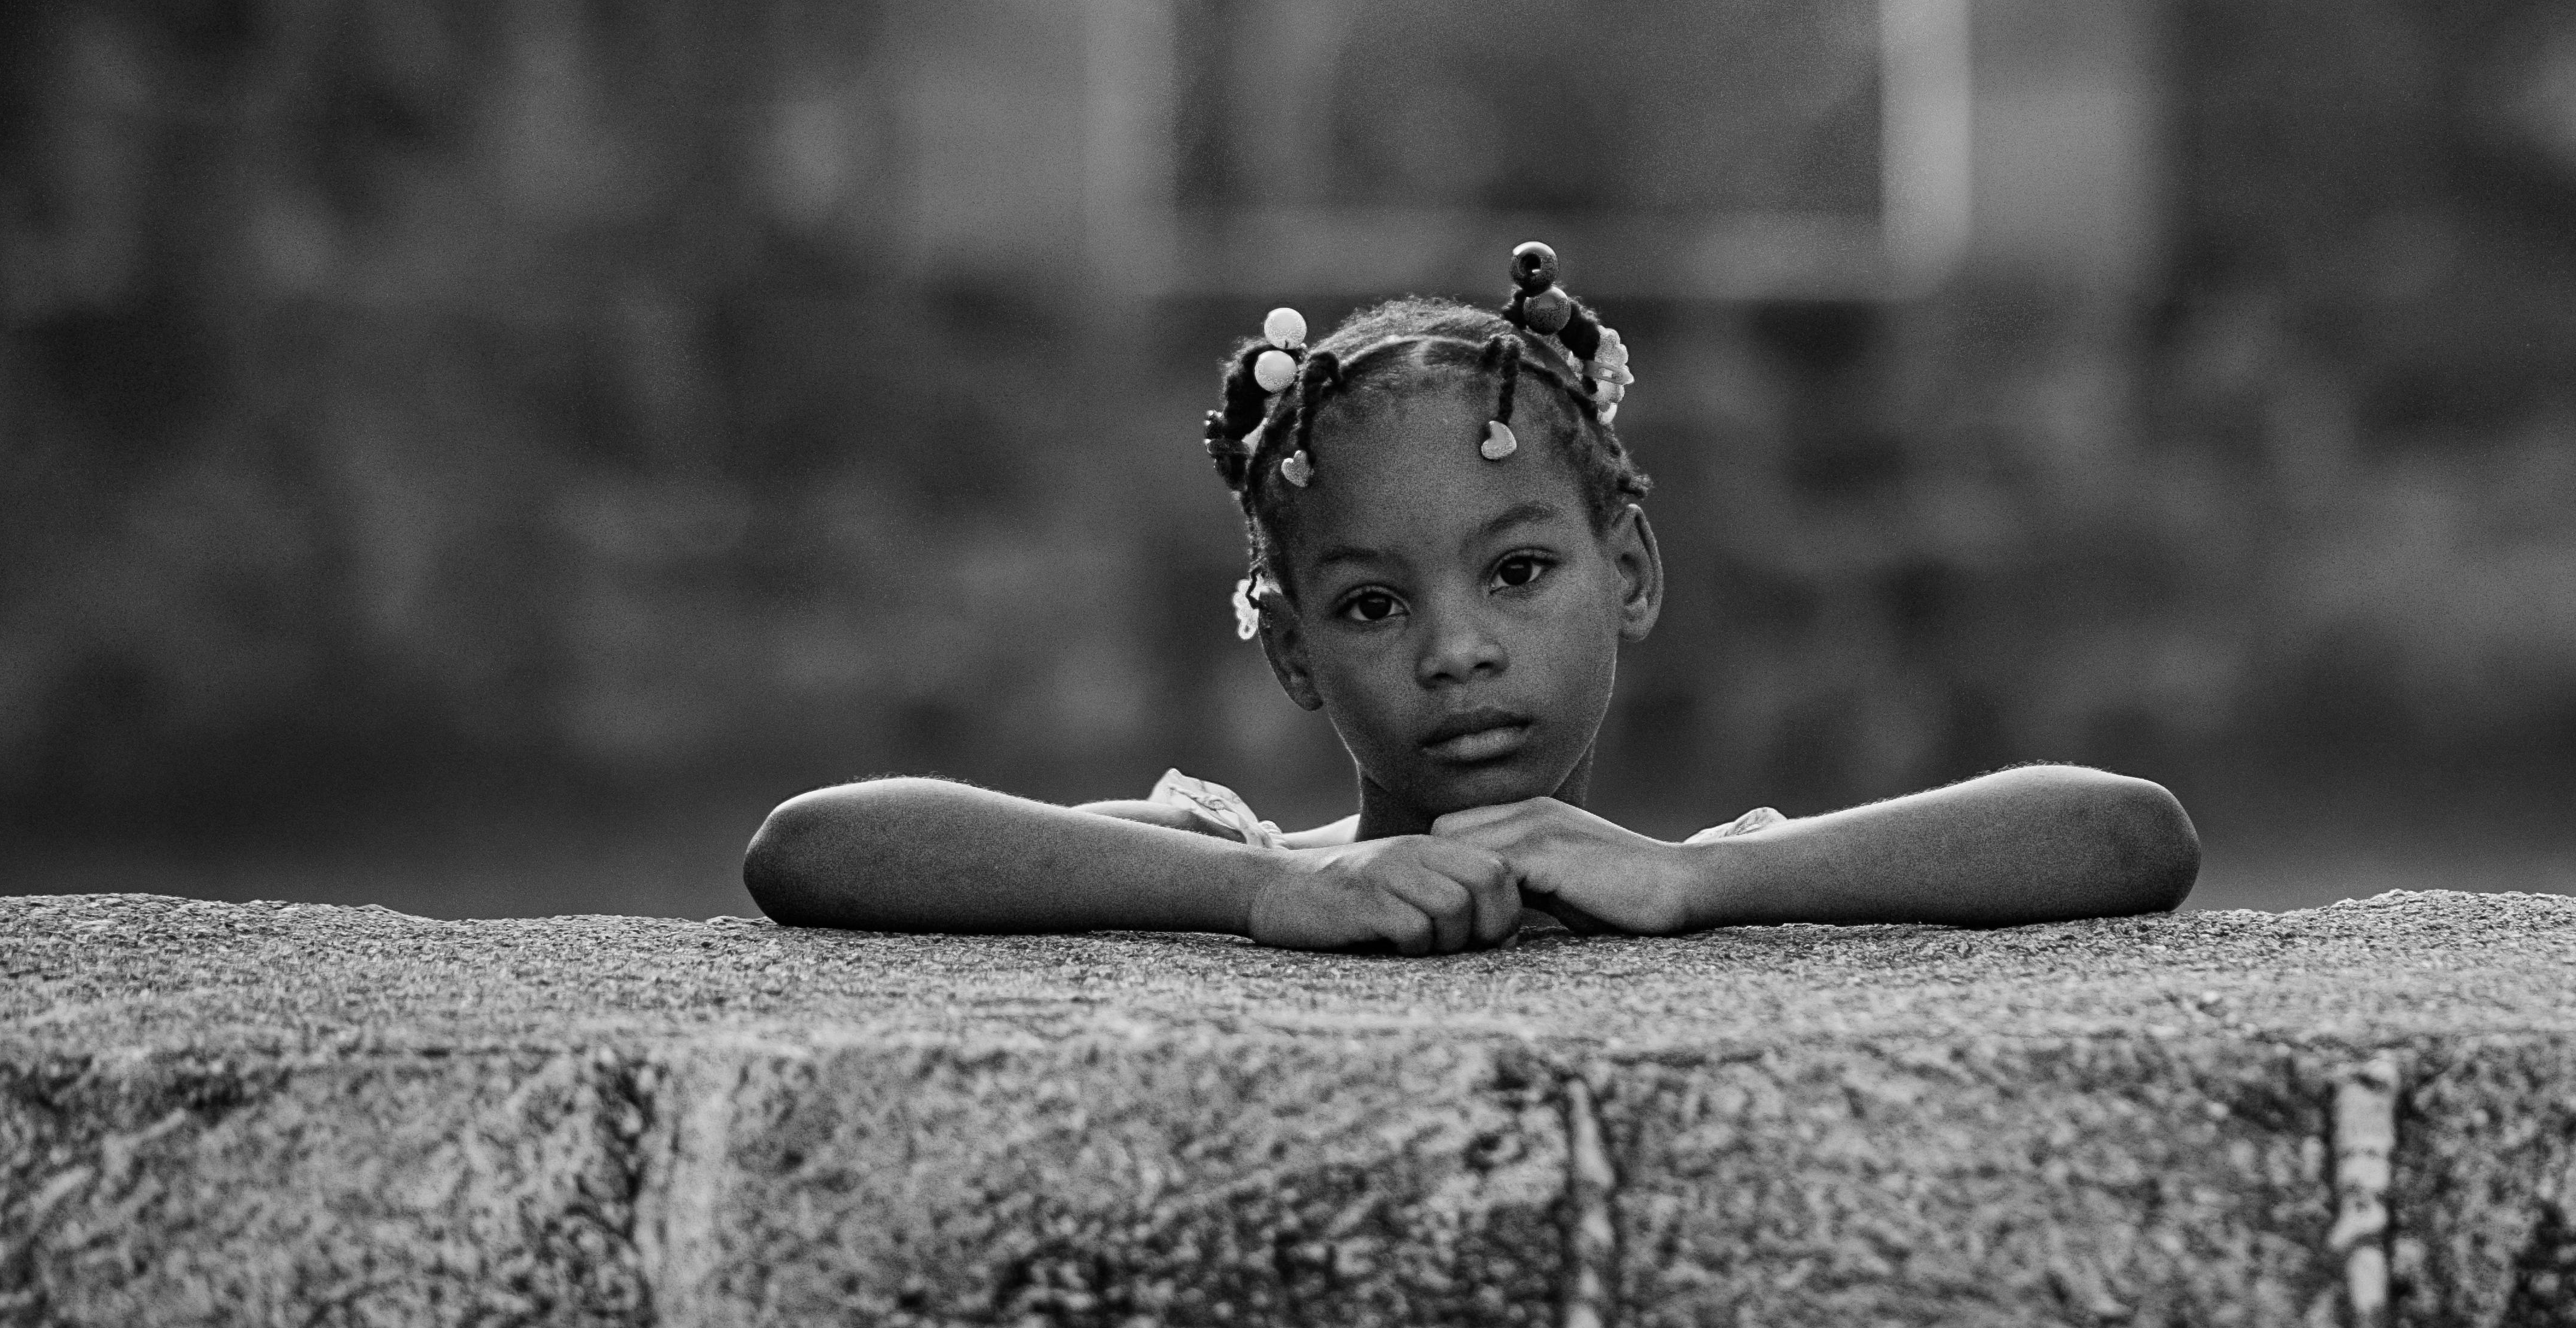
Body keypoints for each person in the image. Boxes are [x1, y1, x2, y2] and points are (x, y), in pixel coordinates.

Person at [744, 242, 2201, 951]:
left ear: (1625, 573)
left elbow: (2128, 834)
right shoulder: (1216, 856)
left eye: (1516, 574)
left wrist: (1711, 881)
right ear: (1293, 652)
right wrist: (1266, 890)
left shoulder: (1683, 874)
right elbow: (814, 849)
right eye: (1372, 607)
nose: (1456, 651)